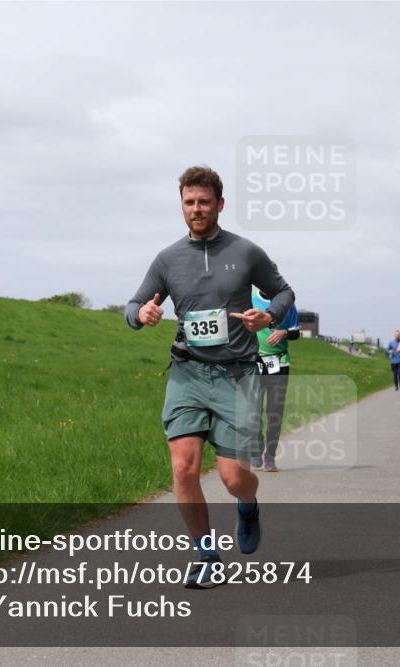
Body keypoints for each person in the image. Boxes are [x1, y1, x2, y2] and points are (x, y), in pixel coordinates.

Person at [125, 165, 294, 588]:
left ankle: (249, 504)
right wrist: (141, 313)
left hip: (237, 376)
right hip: (187, 374)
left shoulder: (247, 252)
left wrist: (269, 314)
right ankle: (206, 555)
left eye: (203, 202)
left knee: (233, 477)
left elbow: (285, 292)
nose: (196, 209)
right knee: (183, 469)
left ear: (219, 204)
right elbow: (132, 305)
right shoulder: (167, 259)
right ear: (181, 206)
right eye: (188, 202)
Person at [251, 286, 299, 472]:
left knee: (274, 412)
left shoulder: (286, 302)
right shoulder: (249, 298)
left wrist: (284, 333)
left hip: (279, 363)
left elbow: (296, 331)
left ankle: (270, 457)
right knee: (253, 410)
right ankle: (256, 450)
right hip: (254, 362)